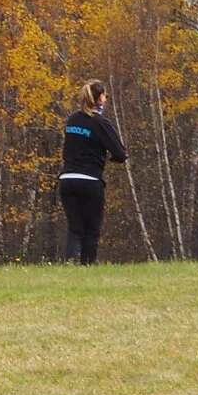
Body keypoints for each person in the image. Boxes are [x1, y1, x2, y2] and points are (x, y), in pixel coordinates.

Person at [57, 80, 128, 267]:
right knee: (91, 229)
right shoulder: (101, 123)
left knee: (75, 228)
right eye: (105, 95)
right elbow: (120, 153)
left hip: (66, 179)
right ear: (99, 99)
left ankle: (69, 265)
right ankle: (87, 266)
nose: (107, 98)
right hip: (89, 180)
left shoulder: (72, 120)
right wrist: (111, 158)